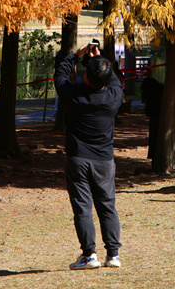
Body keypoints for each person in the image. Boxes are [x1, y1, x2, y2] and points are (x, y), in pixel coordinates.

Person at [55, 43, 124, 270]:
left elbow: (60, 75)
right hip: (104, 160)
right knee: (107, 205)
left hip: (78, 159)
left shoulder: (74, 95)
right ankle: (113, 255)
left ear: (86, 77)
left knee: (83, 207)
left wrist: (76, 55)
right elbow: (113, 80)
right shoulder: (113, 96)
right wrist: (100, 62)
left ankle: (89, 255)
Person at [141, 76, 163, 160]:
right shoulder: (161, 91)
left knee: (154, 139)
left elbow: (148, 111)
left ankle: (154, 156)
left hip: (155, 120)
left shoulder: (152, 96)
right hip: (159, 118)